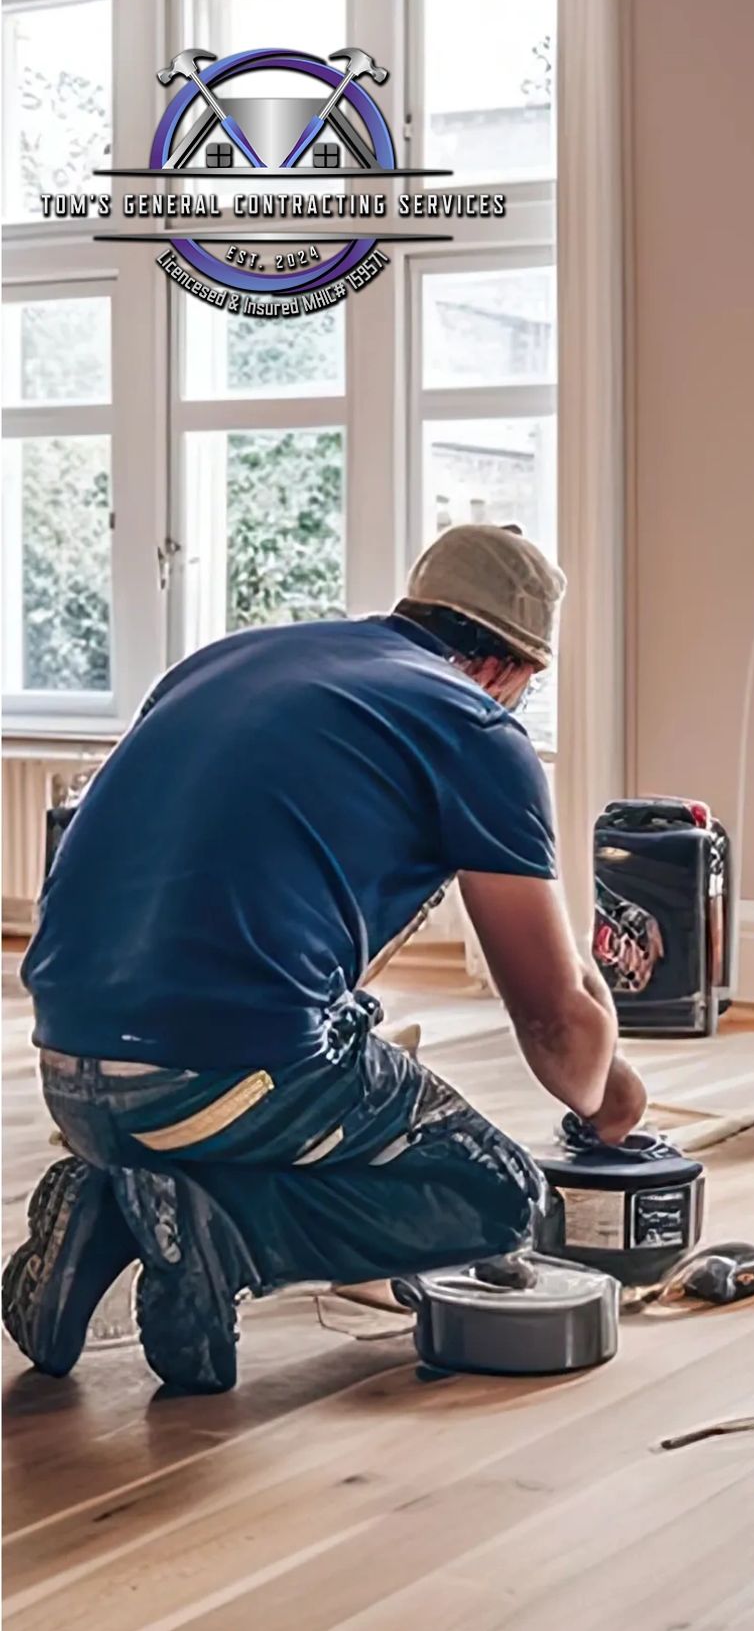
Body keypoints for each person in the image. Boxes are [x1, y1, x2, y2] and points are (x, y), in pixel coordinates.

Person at [3, 524, 647, 1393]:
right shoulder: (475, 728)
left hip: (67, 1064)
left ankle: (106, 1206)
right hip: (213, 1077)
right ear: (509, 668)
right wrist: (616, 1099)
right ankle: (219, 1233)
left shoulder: (231, 660)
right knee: (502, 1198)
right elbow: (560, 1039)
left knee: (324, 1049)